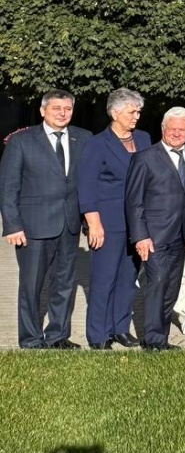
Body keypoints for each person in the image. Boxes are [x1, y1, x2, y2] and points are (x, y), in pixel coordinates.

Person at [1, 88, 92, 349]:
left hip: (69, 225)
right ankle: (30, 339)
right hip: (32, 227)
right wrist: (12, 225)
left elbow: (89, 181)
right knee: (31, 286)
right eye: (56, 108)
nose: (62, 113)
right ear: (43, 110)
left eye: (67, 109)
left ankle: (57, 336)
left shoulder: (84, 138)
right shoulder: (21, 141)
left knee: (64, 284)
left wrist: (88, 219)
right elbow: (8, 187)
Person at [77, 88, 150, 349]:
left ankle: (120, 328)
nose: (136, 116)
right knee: (103, 280)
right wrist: (93, 222)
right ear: (115, 112)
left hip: (136, 223)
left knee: (128, 280)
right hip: (107, 223)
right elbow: (86, 186)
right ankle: (99, 334)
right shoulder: (97, 144)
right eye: (132, 112)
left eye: (138, 111)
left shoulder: (143, 138)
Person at [124, 107, 185, 351]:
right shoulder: (145, 158)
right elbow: (134, 201)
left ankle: (161, 338)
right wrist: (140, 236)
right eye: (172, 128)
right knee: (157, 284)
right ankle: (153, 340)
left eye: (182, 129)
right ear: (163, 129)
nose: (176, 133)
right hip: (153, 237)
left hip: (180, 236)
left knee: (171, 288)